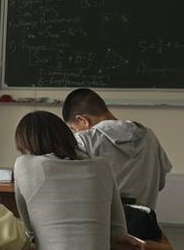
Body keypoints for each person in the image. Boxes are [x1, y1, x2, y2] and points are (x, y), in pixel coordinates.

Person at [13, 111, 142, 250]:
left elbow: (30, 231)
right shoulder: (102, 166)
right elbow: (118, 228)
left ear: (26, 145)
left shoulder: (24, 165)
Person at [64, 87, 172, 236]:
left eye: (73, 128)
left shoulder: (85, 140)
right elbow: (160, 183)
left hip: (102, 230)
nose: (75, 132)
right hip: (143, 226)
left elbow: (73, 190)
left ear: (83, 120)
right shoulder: (149, 136)